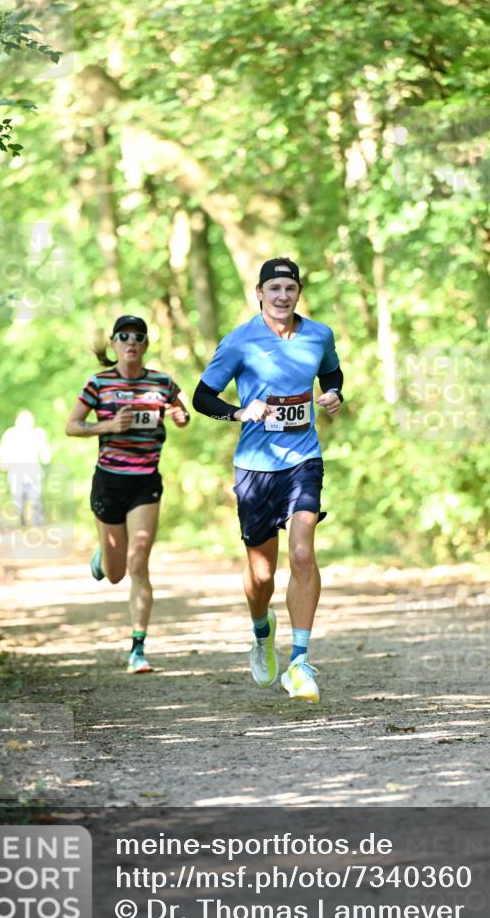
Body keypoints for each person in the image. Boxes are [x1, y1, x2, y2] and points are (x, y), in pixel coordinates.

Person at [193, 257, 343, 702]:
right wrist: (239, 411)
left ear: (298, 293)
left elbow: (331, 371)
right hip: (256, 467)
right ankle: (262, 632)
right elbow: (203, 396)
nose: (282, 296)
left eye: (289, 288)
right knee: (261, 575)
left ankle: (299, 662)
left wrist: (334, 393)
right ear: (259, 293)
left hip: (304, 460)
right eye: (273, 288)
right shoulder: (240, 342)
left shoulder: (319, 334)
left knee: (301, 552)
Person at [66, 315, 190, 674]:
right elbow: (72, 426)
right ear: (114, 343)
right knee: (115, 572)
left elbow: (182, 412)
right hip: (108, 481)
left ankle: (138, 648)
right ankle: (105, 553)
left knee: (138, 564)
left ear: (146, 345)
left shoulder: (162, 382)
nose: (131, 343)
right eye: (123, 337)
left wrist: (180, 417)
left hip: (145, 482)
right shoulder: (98, 383)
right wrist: (107, 425)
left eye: (138, 337)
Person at [0, 410, 51, 527]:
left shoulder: (38, 434)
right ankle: (22, 524)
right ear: (17, 421)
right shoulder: (10, 434)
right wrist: (3, 463)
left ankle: (38, 525)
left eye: (29, 420)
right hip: (15, 474)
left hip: (34, 474)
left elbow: (45, 453)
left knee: (36, 500)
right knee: (18, 501)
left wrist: (47, 460)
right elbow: (4, 451)